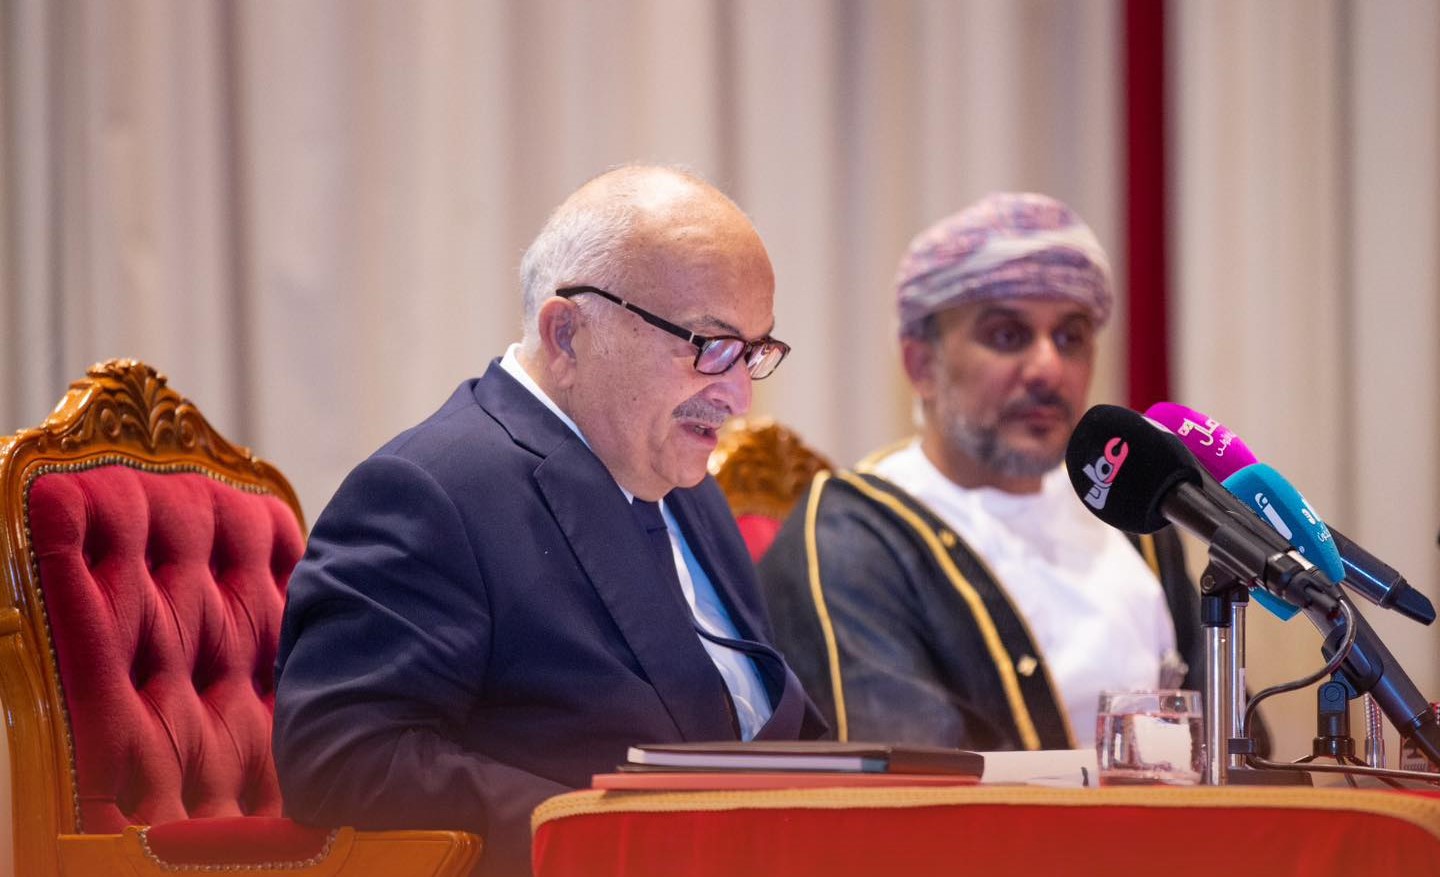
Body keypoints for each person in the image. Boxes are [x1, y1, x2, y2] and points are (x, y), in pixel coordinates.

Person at [272, 165, 826, 877]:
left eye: (753, 352)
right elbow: (342, 759)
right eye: (708, 346)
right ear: (567, 334)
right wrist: (608, 838)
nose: (740, 395)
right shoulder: (432, 490)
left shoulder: (687, 484)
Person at [758, 192, 1202, 753]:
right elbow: (919, 782)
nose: (1048, 369)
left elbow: (1236, 747)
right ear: (922, 364)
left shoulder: (1130, 509)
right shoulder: (854, 539)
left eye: (1070, 337)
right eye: (1008, 336)